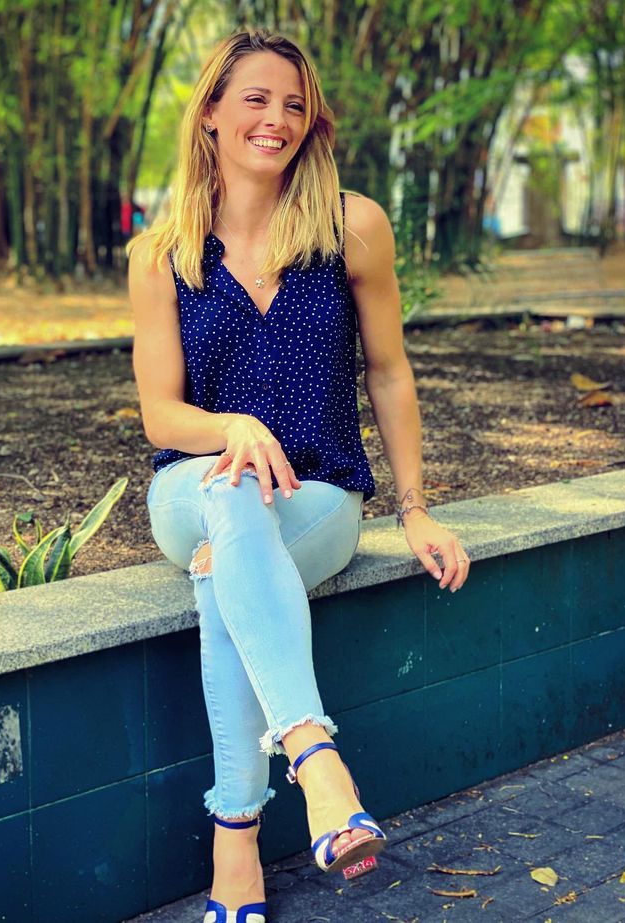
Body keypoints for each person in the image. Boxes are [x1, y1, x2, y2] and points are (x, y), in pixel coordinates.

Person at [126, 28, 471, 923]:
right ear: (210, 113)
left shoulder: (351, 227)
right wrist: (235, 428)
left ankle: (235, 837)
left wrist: (415, 507)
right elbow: (160, 414)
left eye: (293, 104)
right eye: (255, 99)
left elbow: (388, 372)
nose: (275, 119)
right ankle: (318, 762)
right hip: (190, 491)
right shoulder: (161, 254)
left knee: (225, 577)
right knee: (230, 487)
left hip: (316, 499)